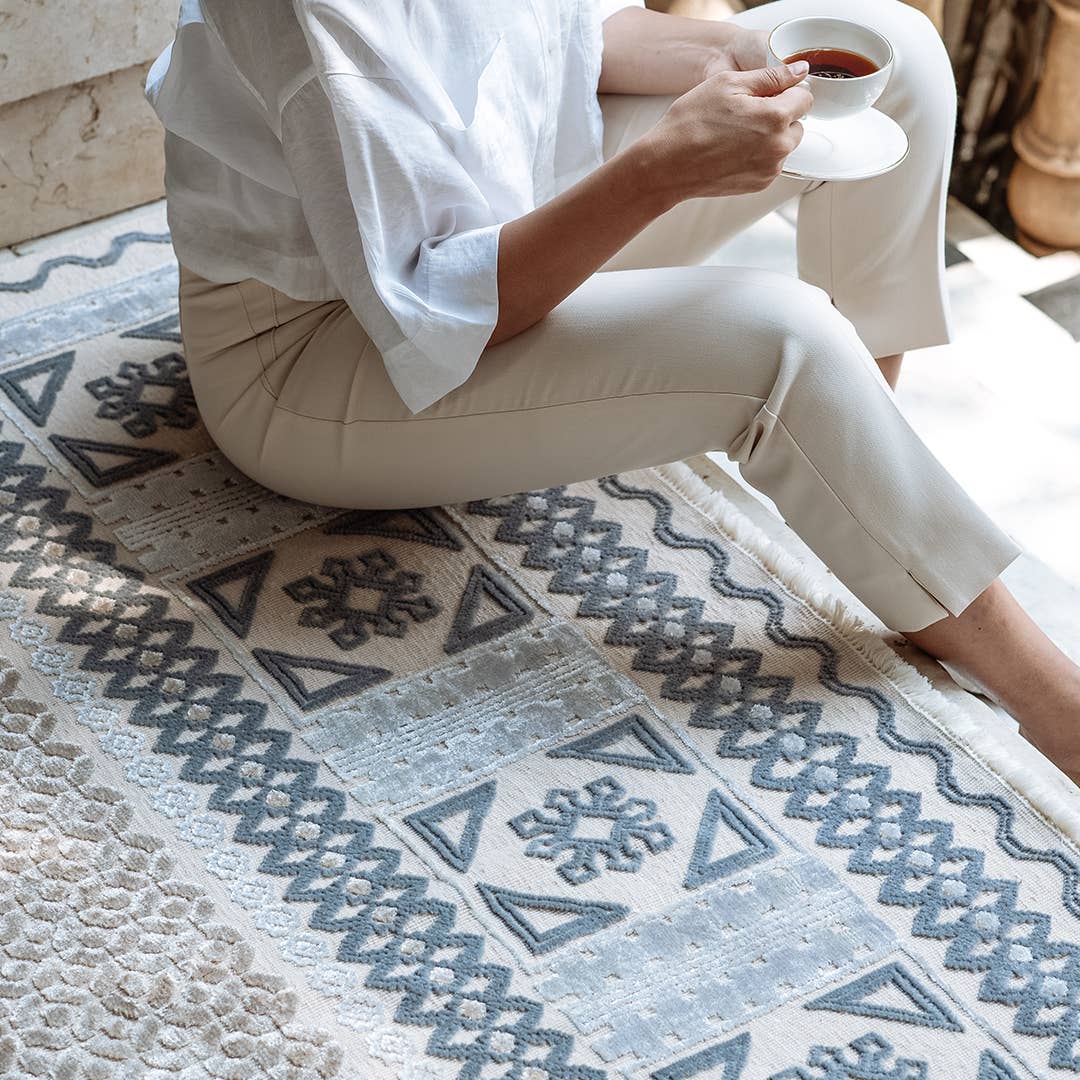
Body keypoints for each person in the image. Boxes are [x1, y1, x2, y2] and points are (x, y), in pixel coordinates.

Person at [147, 0, 1080, 781]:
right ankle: (1052, 701)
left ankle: (882, 502)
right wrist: (660, 172)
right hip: (319, 356)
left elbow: (571, 33)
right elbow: (434, 309)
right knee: (780, 339)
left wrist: (752, 63)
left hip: (503, 226)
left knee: (897, 50)